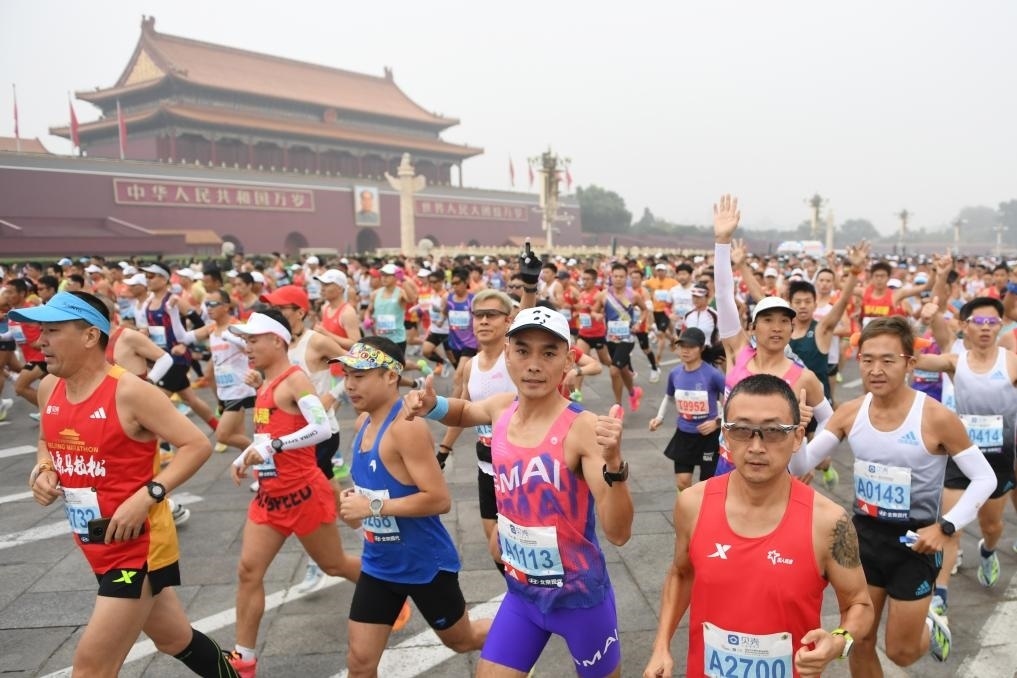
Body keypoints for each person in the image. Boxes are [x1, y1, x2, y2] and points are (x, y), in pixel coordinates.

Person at [404, 306, 634, 678]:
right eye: (523, 351)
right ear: (507, 355)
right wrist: (432, 406)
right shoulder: (501, 409)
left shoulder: (583, 429)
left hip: (579, 600)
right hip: (522, 595)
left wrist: (615, 467)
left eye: (549, 353)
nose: (534, 365)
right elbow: (464, 412)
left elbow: (619, 533)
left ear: (568, 361)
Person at [17, 291, 237, 677]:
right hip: (95, 542)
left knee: (91, 669)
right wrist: (44, 469)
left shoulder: (130, 391)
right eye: (40, 331)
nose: (40, 341)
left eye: (52, 331)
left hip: (138, 547)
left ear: (90, 335)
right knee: (175, 639)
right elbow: (45, 440)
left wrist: (149, 495)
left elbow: (196, 445)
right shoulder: (50, 387)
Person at [793, 316, 995, 671]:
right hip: (863, 539)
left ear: (910, 363)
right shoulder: (850, 413)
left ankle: (931, 626)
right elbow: (801, 466)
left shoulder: (936, 417)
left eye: (888, 360)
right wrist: (796, 435)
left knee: (902, 652)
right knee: (858, 640)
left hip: (914, 544)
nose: (876, 370)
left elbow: (984, 478)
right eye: (868, 360)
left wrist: (945, 528)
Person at [643, 374, 873, 678]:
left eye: (774, 431)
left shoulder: (828, 521)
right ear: (725, 435)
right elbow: (681, 573)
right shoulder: (692, 504)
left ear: (798, 437)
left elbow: (860, 604)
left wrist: (838, 641)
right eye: (741, 430)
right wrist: (661, 645)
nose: (756, 446)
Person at [334, 337, 490, 677]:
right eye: (346, 375)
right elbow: (381, 486)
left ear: (391, 376)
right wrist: (356, 497)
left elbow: (439, 499)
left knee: (462, 640)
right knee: (359, 663)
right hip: (379, 565)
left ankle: (515, 650)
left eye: (359, 376)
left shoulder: (407, 428)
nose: (349, 385)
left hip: (425, 566)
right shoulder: (362, 424)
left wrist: (371, 506)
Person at [225, 310, 362, 677]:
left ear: (277, 340)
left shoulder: (295, 379)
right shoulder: (266, 383)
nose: (247, 347)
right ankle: (244, 659)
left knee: (334, 564)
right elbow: (266, 436)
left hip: (304, 495)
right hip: (269, 499)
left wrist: (275, 447)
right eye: (245, 341)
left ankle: (387, 595)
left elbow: (321, 427)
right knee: (248, 571)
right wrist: (243, 457)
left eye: (253, 340)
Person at [912, 296, 1017, 612]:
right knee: (951, 526)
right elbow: (912, 359)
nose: (985, 328)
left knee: (991, 526)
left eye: (992, 322)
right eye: (978, 322)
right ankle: (940, 595)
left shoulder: (1011, 361)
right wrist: (920, 321)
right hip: (962, 456)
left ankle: (988, 550)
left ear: (1000, 325)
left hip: (998, 460)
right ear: (965, 326)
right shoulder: (955, 361)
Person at [649, 327, 725, 491]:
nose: (685, 350)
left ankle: (704, 507)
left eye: (691, 347)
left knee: (707, 483)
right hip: (684, 435)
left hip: (708, 437)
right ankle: (687, 506)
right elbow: (669, 397)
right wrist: (659, 418)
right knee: (682, 482)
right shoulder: (675, 373)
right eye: (682, 346)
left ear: (701, 348)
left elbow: (733, 399)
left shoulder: (713, 374)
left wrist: (717, 422)